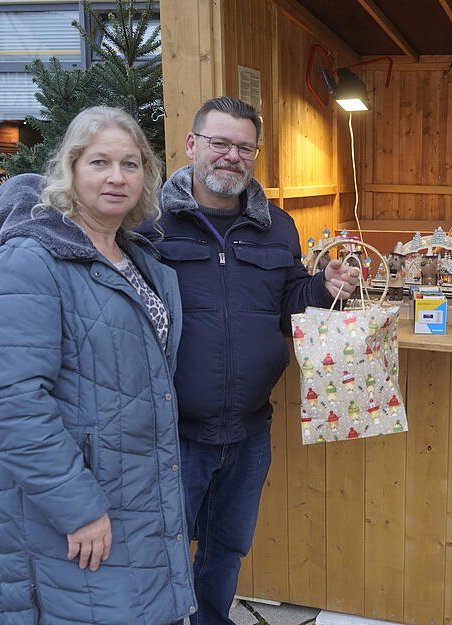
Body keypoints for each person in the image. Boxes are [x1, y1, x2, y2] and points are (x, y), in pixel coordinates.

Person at [138, 96, 359, 625]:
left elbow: (285, 303)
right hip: (173, 432)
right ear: (192, 145)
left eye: (244, 147)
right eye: (219, 143)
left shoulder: (277, 226)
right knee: (159, 554)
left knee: (227, 550)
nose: (231, 156)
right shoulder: (148, 224)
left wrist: (322, 288)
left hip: (248, 428)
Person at [0, 107, 195, 623]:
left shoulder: (138, 260)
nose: (117, 177)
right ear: (69, 171)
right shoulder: (29, 261)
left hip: (137, 492)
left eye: (131, 164)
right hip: (77, 505)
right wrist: (80, 509)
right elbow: (14, 404)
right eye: (99, 162)